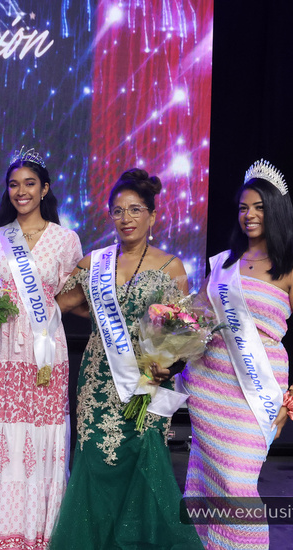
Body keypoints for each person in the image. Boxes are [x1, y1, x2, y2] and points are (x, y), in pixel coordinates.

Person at [51, 168, 203, 549]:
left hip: (146, 382)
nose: (126, 219)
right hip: (98, 382)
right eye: (118, 211)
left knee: (144, 464)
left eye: (135, 210)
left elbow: (183, 332)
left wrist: (170, 363)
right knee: (95, 465)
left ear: (152, 215)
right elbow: (56, 306)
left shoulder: (172, 267)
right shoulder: (92, 264)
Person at [180, 160, 293, 549]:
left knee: (236, 484)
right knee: (206, 484)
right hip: (208, 388)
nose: (250, 215)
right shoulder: (223, 264)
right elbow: (195, 321)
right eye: (244, 207)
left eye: (259, 206)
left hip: (254, 393)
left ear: (276, 209)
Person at [0, 147, 83, 549]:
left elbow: (77, 295)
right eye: (14, 184)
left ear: (45, 189)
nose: (21, 191)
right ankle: (3, 529)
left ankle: (39, 532)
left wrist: (47, 309)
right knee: (1, 438)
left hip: (43, 355)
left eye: (30, 183)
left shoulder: (66, 240)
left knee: (38, 442)